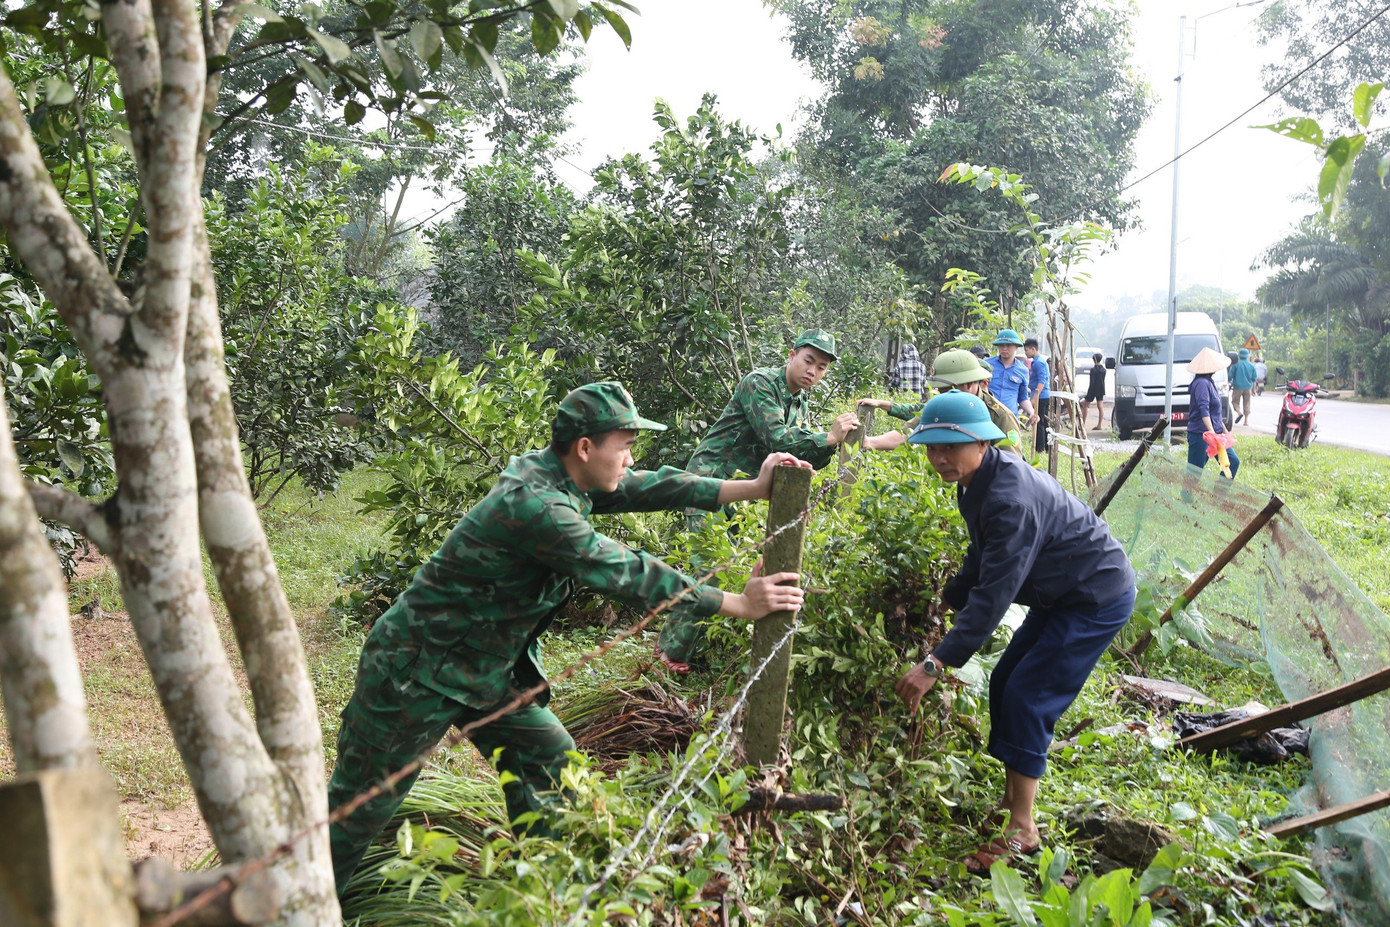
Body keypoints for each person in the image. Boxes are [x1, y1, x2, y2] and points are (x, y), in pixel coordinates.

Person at [328, 382, 811, 894]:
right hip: (415, 670)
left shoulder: (563, 477)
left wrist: (750, 489)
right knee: (360, 809)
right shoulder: (538, 504)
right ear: (586, 448)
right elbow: (622, 569)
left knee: (549, 759)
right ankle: (292, 905)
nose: (630, 457)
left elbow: (646, 485)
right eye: (624, 445)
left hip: (482, 667)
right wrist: (737, 603)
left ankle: (545, 888)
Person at [892, 390, 1136, 873]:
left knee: (1029, 694)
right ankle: (1010, 802)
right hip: (1060, 593)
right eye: (932, 448)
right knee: (1005, 680)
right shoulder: (976, 482)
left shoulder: (1010, 499)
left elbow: (994, 595)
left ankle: (1023, 829)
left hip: (1095, 596)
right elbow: (981, 562)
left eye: (950, 448)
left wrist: (935, 662)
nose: (940, 458)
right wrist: (948, 596)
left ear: (982, 443)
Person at [659, 329, 895, 671]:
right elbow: (777, 438)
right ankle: (670, 652)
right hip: (710, 480)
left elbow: (797, 452)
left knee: (735, 566)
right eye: (808, 360)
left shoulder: (799, 400)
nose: (812, 371)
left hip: (747, 490)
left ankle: (698, 645)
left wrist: (830, 446)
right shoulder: (760, 383)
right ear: (791, 355)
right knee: (709, 566)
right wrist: (828, 437)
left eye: (822, 367)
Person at [858, 349, 1024, 457]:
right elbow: (906, 435)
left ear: (968, 384)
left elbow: (1013, 468)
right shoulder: (941, 406)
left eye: (946, 389)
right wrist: (868, 442)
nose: (941, 394)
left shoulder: (1000, 417)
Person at [1185, 347, 1240, 479]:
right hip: (1201, 435)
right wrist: (1211, 432)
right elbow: (1204, 410)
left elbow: (1214, 412)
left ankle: (1217, 495)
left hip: (1215, 435)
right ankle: (1186, 498)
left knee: (1233, 461)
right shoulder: (1202, 384)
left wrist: (1224, 430)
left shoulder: (1209, 382)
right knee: (1194, 473)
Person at [984, 330, 1038, 428]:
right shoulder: (987, 365)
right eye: (1001, 345)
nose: (1004, 348)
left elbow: (1023, 398)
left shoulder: (1023, 370)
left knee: (1009, 443)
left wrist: (1032, 412)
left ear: (1016, 346)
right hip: (987, 417)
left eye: (1008, 345)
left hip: (1010, 419)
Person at [1023, 338, 1051, 454]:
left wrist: (1035, 397)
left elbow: (1042, 381)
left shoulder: (1039, 362)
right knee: (1043, 421)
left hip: (1041, 396)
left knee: (1039, 421)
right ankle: (1047, 446)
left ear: (1033, 349)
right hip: (1041, 395)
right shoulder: (1037, 361)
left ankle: (1040, 447)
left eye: (1026, 350)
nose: (1025, 353)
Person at [1230, 348, 1258, 424]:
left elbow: (1230, 376)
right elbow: (1254, 379)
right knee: (1247, 403)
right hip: (1248, 388)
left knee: (1235, 402)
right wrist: (1254, 390)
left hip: (1237, 387)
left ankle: (1239, 412)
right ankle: (1246, 421)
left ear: (1239, 356)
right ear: (1247, 356)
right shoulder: (1251, 366)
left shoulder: (1235, 365)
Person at [1080, 353, 1106, 430]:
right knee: (1100, 407)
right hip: (1101, 389)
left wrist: (1089, 392)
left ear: (1093, 360)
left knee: (1085, 406)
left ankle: (1083, 424)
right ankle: (1099, 425)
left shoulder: (1093, 370)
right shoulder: (1103, 370)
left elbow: (1092, 382)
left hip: (1093, 390)